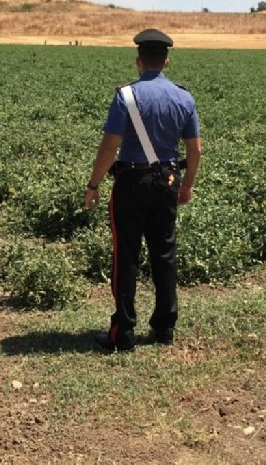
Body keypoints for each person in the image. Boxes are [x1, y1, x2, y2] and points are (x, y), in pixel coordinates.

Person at [84, 28, 202, 351]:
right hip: (167, 182)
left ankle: (123, 332)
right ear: (166, 62)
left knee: (126, 255)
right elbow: (195, 150)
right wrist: (187, 185)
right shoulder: (184, 98)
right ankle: (164, 328)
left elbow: (109, 147)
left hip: (131, 183)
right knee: (164, 255)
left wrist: (93, 185)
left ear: (139, 62)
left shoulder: (125, 97)